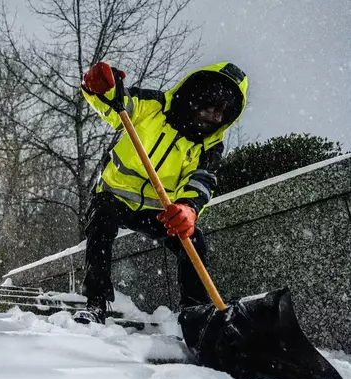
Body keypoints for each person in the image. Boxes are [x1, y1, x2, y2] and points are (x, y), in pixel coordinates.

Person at [73, 61, 248, 324]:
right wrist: (98, 86)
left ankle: (195, 314)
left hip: (159, 211)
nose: (215, 117)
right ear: (197, 95)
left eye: (222, 114)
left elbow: (202, 181)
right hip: (115, 196)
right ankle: (95, 303)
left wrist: (188, 209)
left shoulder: (209, 147)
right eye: (211, 107)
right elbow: (115, 102)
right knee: (101, 221)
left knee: (194, 243)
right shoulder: (153, 106)